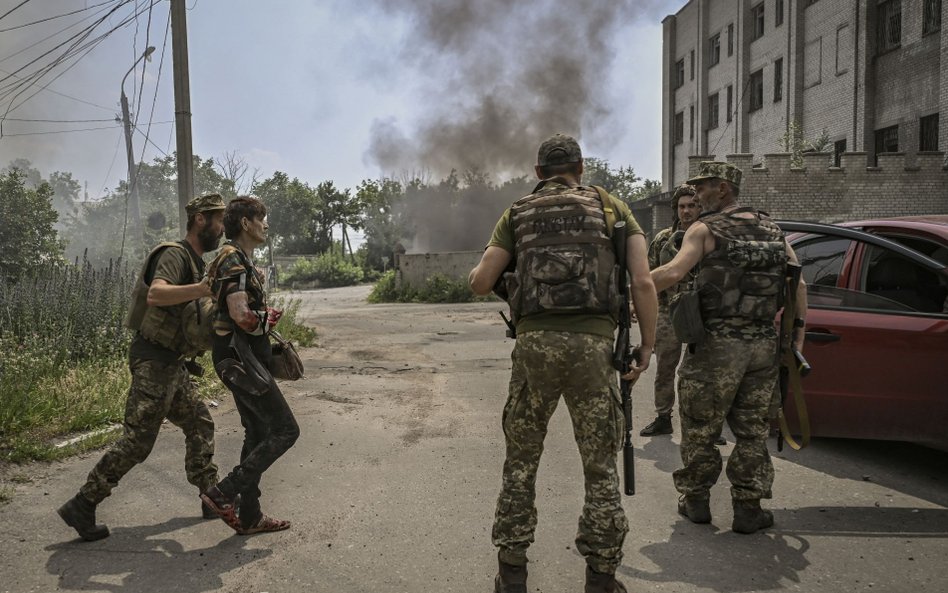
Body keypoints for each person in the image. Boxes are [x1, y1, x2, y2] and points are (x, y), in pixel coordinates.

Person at [469, 134, 657, 593]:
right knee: (600, 466)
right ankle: (601, 577)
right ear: (581, 166)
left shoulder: (517, 212)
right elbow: (643, 282)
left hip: (535, 348)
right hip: (595, 350)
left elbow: (481, 282)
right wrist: (647, 346)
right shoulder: (612, 208)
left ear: (538, 173)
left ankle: (512, 573)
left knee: (521, 461)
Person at [57, 193, 226, 541]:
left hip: (172, 363)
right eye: (219, 220)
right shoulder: (174, 255)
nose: (222, 228)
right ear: (200, 220)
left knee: (199, 420)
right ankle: (83, 503)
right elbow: (157, 295)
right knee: (138, 442)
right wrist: (203, 289)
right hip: (153, 360)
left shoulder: (195, 261)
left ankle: (210, 495)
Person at [650, 162, 808, 534]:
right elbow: (798, 285)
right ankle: (748, 508)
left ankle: (696, 500)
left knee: (700, 426)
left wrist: (630, 291)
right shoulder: (772, 229)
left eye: (702, 188)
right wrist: (797, 338)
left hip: (716, 346)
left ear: (723, 189)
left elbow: (673, 272)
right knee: (752, 429)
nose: (697, 195)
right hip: (762, 346)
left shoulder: (706, 229)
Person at [199, 196, 300, 535]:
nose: (266, 224)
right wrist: (268, 319)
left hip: (241, 357)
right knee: (286, 430)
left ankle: (250, 515)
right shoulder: (233, 259)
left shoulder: (238, 259)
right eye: (262, 218)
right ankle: (224, 491)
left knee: (256, 432)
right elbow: (242, 316)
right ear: (245, 223)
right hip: (240, 359)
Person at [639, 184, 703, 438]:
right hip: (669, 310)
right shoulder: (663, 239)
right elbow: (650, 276)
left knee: (701, 370)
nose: (686, 211)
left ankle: (703, 421)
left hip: (701, 311)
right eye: (682, 207)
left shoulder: (708, 236)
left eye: (691, 206)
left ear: (700, 208)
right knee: (665, 366)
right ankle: (663, 417)